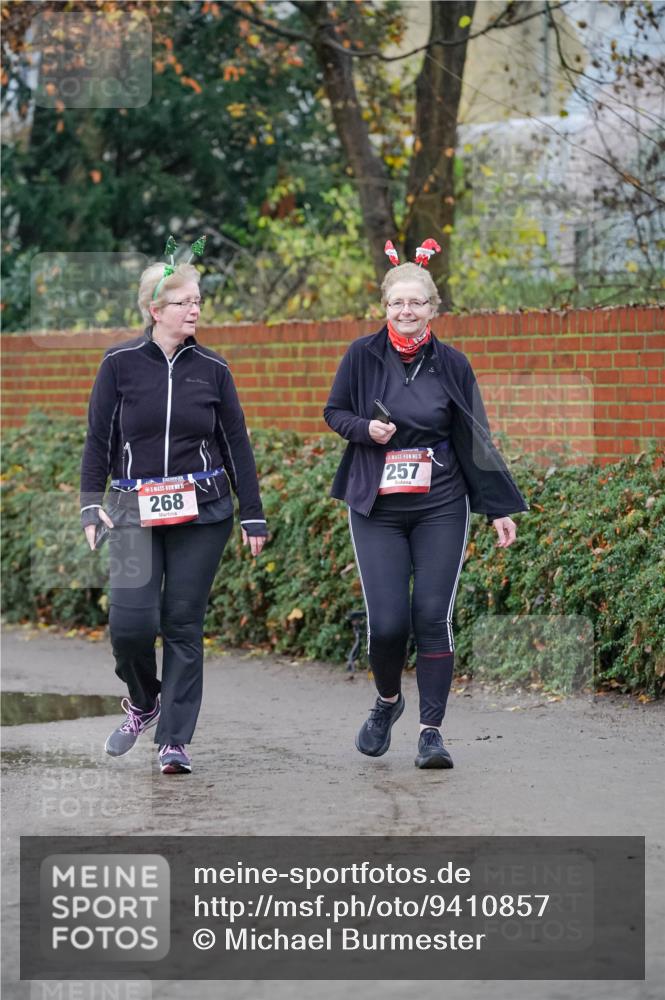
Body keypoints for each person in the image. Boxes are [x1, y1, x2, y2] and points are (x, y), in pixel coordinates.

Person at [324, 239, 528, 770]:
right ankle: (388, 702)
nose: (406, 312)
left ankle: (431, 732)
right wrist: (365, 428)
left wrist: (497, 506)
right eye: (397, 303)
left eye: (417, 303)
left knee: (432, 616)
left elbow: (475, 434)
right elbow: (334, 412)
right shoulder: (361, 356)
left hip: (441, 500)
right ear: (385, 307)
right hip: (377, 504)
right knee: (389, 623)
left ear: (433, 309)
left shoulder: (453, 364)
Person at [80, 236, 267, 775]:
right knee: (131, 627)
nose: (195, 309)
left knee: (183, 623)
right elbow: (98, 442)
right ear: (155, 310)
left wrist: (252, 512)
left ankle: (174, 741)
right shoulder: (118, 364)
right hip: (134, 509)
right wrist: (92, 506)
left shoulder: (214, 369)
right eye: (185, 301)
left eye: (199, 301)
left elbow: (237, 444)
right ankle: (143, 701)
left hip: (203, 512)